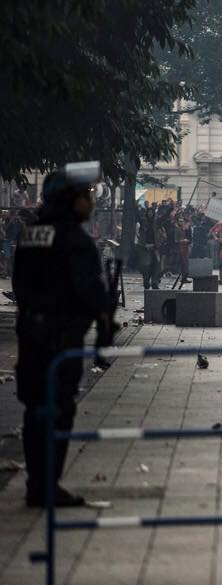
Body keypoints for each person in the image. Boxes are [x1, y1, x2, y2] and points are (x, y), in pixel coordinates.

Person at [14, 166, 117, 507]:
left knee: (35, 410)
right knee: (58, 411)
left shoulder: (31, 232)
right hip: (61, 340)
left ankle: (35, 483)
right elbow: (88, 291)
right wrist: (102, 318)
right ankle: (48, 486)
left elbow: (19, 285)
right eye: (86, 196)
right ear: (70, 200)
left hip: (31, 334)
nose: (91, 202)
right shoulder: (76, 240)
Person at [136, 207, 164, 289]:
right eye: (149, 212)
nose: (150, 214)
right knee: (146, 266)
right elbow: (137, 215)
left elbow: (164, 218)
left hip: (155, 247)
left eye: (151, 212)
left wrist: (170, 209)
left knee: (156, 265)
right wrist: (135, 205)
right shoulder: (143, 221)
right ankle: (146, 281)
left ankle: (154, 282)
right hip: (145, 247)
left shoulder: (156, 222)